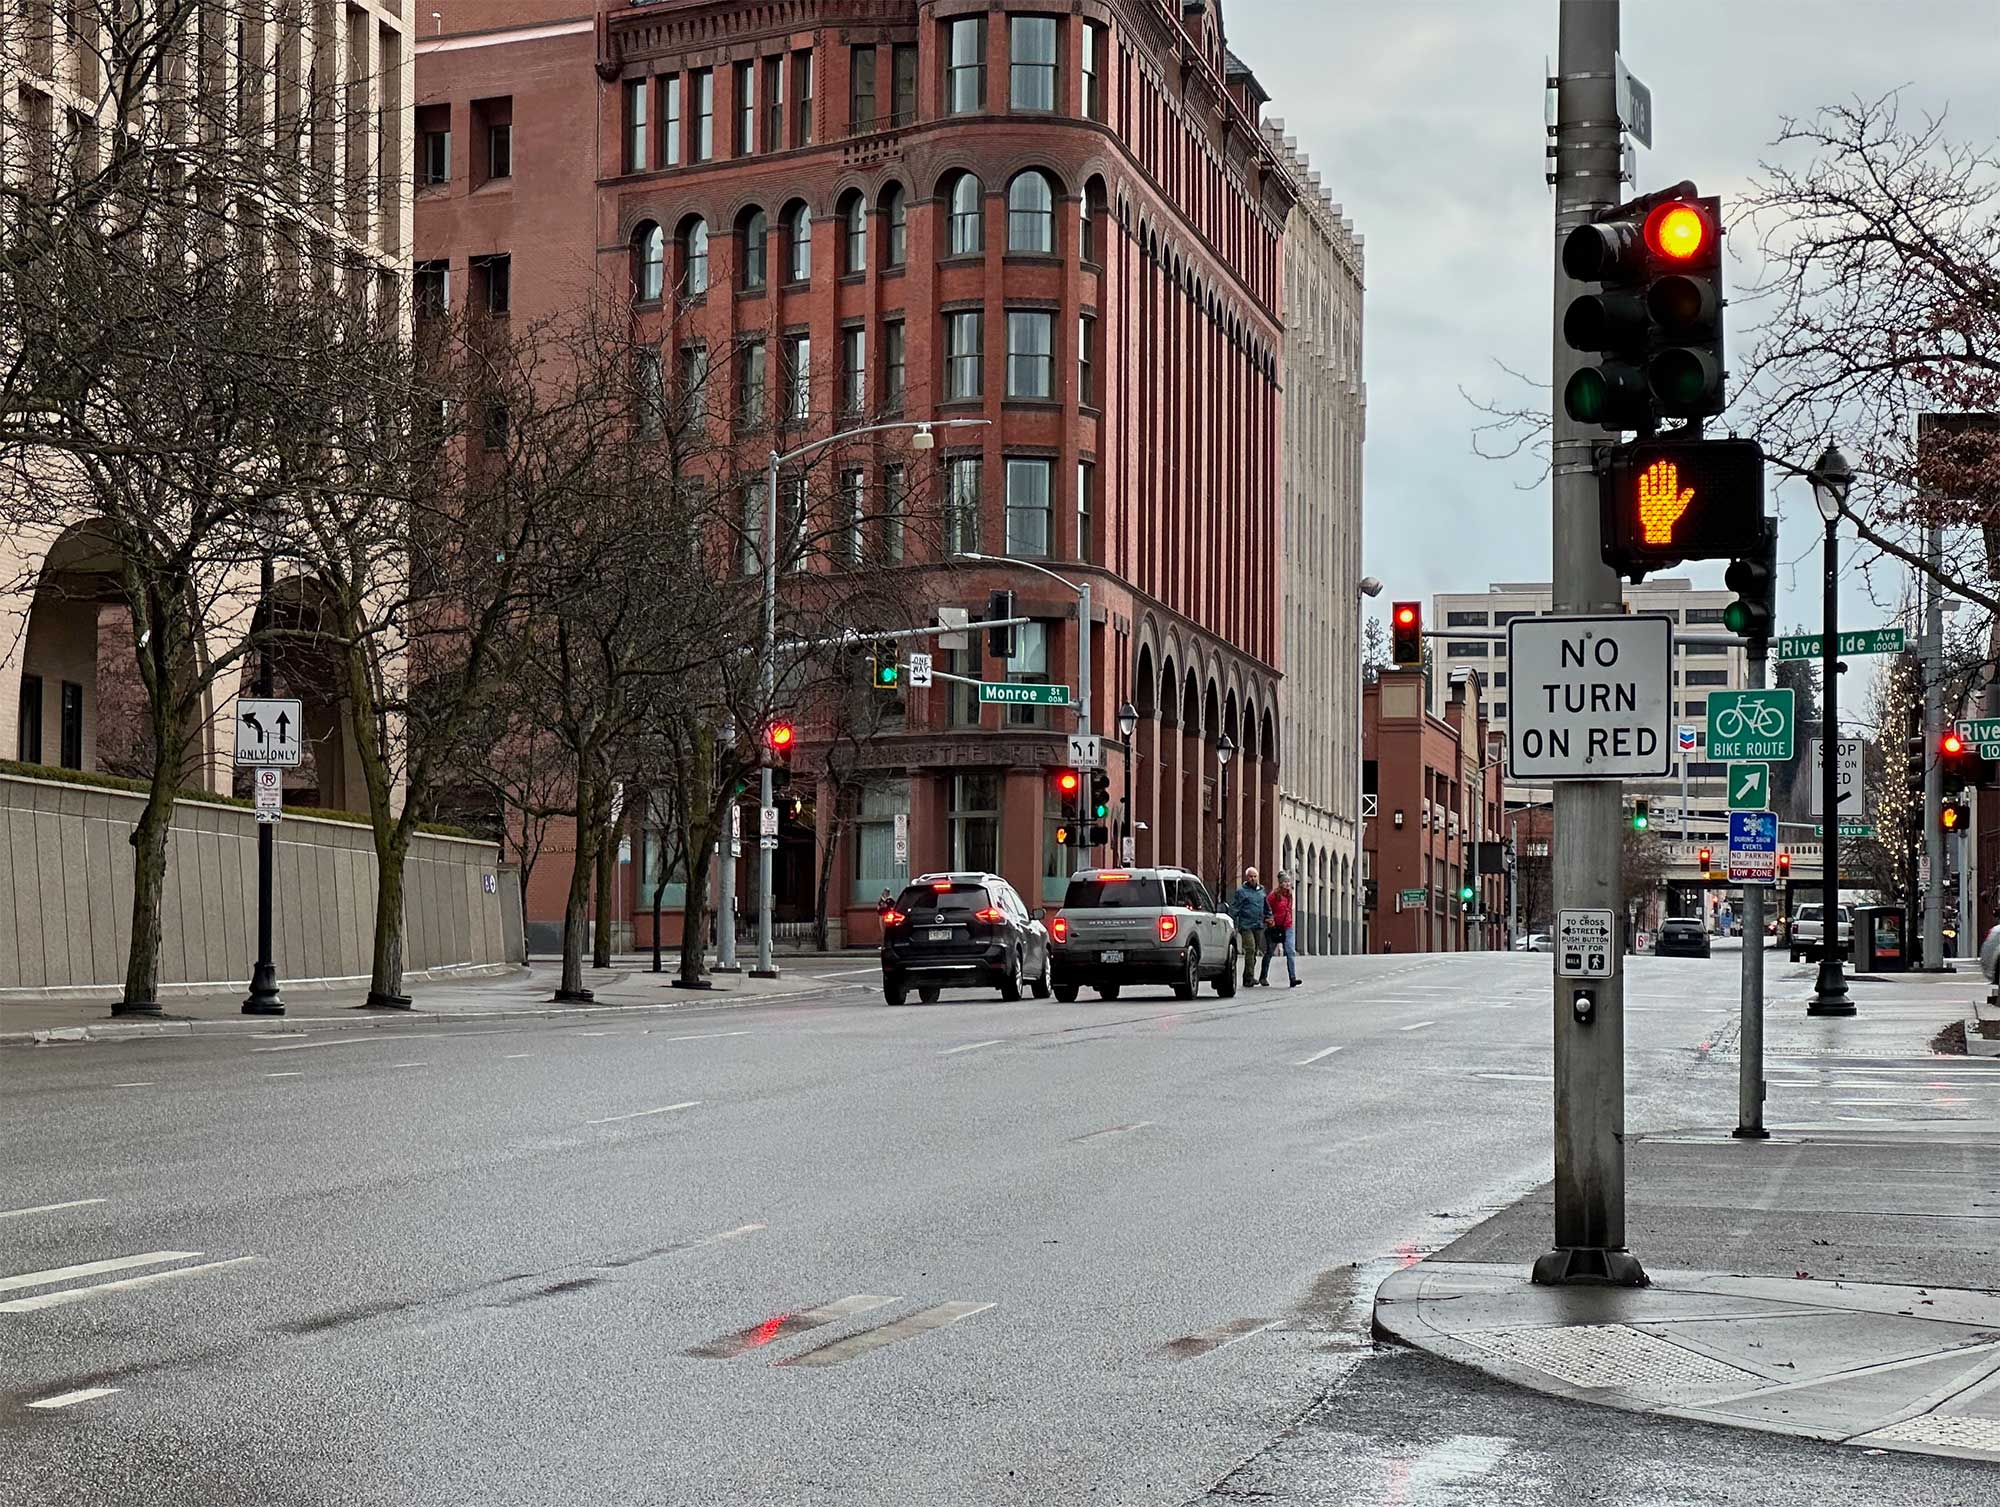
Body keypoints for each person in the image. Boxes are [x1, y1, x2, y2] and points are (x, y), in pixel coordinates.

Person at [1229, 866, 1269, 987]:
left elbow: (1266, 906)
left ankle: (1249, 975)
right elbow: (1234, 908)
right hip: (1246, 925)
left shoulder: (1261, 891)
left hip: (1258, 925)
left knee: (1255, 950)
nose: (1253, 878)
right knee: (1250, 949)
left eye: (1255, 876)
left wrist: (1269, 916)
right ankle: (1248, 978)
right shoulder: (1241, 892)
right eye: (1250, 876)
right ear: (1247, 878)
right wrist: (1233, 924)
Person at [1262, 871, 1299, 987]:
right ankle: (1263, 976)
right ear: (1280, 883)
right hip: (1275, 927)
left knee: (1290, 951)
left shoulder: (1290, 895)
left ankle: (1292, 978)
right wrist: (1269, 919)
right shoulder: (1273, 896)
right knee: (1269, 952)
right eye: (1285, 882)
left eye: (1288, 881)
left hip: (1287, 926)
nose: (1288, 884)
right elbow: (1266, 909)